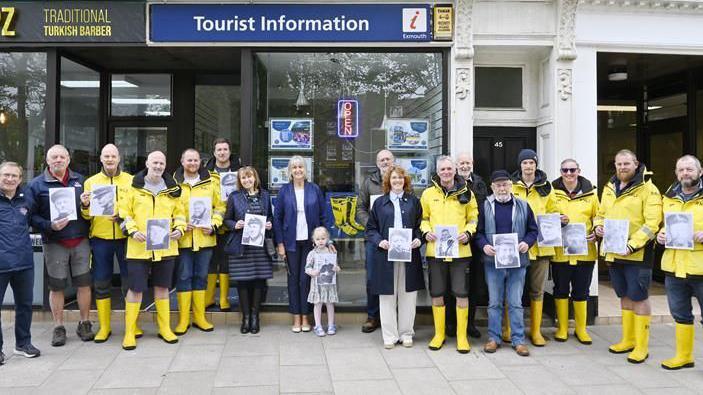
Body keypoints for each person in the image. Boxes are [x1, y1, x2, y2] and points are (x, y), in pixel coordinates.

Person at [594, 149, 662, 363]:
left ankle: (642, 347)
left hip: (636, 254)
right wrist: (598, 227)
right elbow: (601, 214)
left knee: (639, 296)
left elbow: (652, 224)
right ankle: (628, 339)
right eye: (619, 164)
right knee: (623, 294)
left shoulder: (648, 190)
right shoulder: (608, 187)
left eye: (626, 164)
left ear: (636, 164)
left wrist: (633, 246)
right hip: (614, 252)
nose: (622, 167)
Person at [28, 144, 94, 346]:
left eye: (62, 157)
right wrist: (49, 225)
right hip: (55, 242)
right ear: (47, 161)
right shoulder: (36, 185)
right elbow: (30, 216)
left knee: (84, 284)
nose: (58, 160)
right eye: (54, 157)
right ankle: (58, 327)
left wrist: (86, 204)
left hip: (80, 241)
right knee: (57, 287)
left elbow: (91, 211)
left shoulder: (81, 181)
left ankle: (84, 323)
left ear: (68, 159)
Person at [119, 151, 186, 350]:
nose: (158, 166)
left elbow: (180, 214)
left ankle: (164, 328)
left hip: (165, 248)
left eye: (161, 163)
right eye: (155, 162)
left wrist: (179, 229)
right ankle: (130, 331)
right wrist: (132, 231)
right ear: (147, 162)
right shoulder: (132, 186)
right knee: (136, 289)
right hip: (139, 248)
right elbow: (123, 213)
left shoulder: (173, 189)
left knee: (163, 288)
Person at [475, 170, 539, 357]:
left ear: (511, 186)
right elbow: (477, 233)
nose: (502, 188)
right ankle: (494, 338)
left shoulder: (523, 206)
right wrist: (484, 246)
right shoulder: (485, 206)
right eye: (498, 185)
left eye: (505, 184)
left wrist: (526, 243)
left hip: (517, 262)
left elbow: (533, 231)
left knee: (515, 302)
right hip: (492, 262)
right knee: (494, 302)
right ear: (492, 187)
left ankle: (518, 340)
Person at [420, 156, 478, 353]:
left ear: (455, 171)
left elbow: (473, 218)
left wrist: (468, 233)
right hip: (435, 251)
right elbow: (423, 218)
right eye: (442, 169)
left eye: (449, 169)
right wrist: (426, 231)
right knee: (437, 293)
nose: (446, 172)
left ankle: (462, 337)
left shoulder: (467, 193)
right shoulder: (428, 194)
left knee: (461, 293)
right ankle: (439, 334)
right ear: (438, 171)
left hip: (460, 252)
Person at [79, 144, 136, 343]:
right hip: (101, 238)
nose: (110, 159)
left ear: (119, 158)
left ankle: (132, 326)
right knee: (101, 282)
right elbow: (87, 216)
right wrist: (85, 205)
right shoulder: (91, 182)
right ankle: (104, 327)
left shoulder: (131, 180)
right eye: (106, 156)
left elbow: (137, 208)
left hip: (125, 238)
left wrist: (122, 215)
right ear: (101, 159)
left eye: (113, 156)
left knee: (129, 282)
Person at [366, 165, 424, 348]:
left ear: (405, 181)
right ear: (388, 181)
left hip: (409, 255)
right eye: (393, 178)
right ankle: (389, 335)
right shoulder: (379, 203)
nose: (397, 181)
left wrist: (418, 239)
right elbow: (370, 229)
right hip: (386, 255)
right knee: (387, 296)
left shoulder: (413, 201)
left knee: (408, 295)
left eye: (400, 178)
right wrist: (379, 241)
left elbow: (421, 225)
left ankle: (406, 333)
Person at [510, 148, 562, 347]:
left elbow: (554, 210)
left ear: (536, 164)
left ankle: (536, 331)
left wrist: (559, 218)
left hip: (541, 247)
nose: (528, 166)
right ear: (520, 165)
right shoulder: (511, 185)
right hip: (517, 247)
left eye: (531, 162)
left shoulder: (547, 187)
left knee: (537, 291)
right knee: (513, 290)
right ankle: (510, 329)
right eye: (525, 163)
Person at [273, 155, 330, 333]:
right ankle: (296, 317)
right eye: (294, 167)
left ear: (306, 170)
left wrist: (328, 241)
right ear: (289, 171)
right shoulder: (284, 191)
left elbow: (324, 216)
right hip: (290, 243)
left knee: (306, 280)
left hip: (310, 243)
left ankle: (306, 316)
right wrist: (280, 243)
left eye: (301, 167)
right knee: (293, 280)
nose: (298, 170)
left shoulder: (314, 189)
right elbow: (277, 219)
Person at [656, 155, 703, 370]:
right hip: (674, 267)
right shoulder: (669, 197)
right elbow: (663, 225)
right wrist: (661, 235)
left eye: (690, 169)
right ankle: (684, 356)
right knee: (680, 314)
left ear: (699, 172)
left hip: (700, 267)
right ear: (676, 173)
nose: (686, 173)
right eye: (681, 170)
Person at [173, 149, 224, 336]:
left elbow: (220, 207)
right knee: (184, 277)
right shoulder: (173, 183)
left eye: (195, 160)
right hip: (183, 239)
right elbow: (167, 209)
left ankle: (200, 317)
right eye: (189, 160)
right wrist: (177, 224)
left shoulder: (211, 181)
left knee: (201, 276)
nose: (193, 163)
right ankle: (184, 319)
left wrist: (214, 224)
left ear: (200, 162)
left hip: (205, 238)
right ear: (182, 161)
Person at [551, 159, 599, 344]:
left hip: (585, 251)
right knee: (561, 289)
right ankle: (562, 328)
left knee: (581, 290)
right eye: (565, 170)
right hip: (560, 252)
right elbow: (545, 216)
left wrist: (597, 231)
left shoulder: (592, 193)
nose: (569, 173)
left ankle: (581, 329)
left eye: (572, 170)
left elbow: (599, 216)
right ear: (561, 171)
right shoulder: (552, 192)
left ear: (579, 171)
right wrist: (555, 218)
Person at [223, 167, 274, 334]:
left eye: (249, 177)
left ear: (255, 178)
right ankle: (245, 317)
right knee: (243, 282)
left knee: (259, 281)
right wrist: (234, 224)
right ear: (240, 180)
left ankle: (255, 317)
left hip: (259, 247)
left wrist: (269, 224)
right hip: (241, 246)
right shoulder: (235, 196)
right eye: (243, 178)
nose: (246, 180)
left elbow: (270, 218)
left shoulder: (265, 195)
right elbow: (227, 220)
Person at [0, 162, 40, 364]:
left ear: (20, 179)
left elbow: (35, 221)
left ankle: (23, 344)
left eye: (14, 176)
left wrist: (52, 225)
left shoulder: (26, 199)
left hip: (24, 262)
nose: (10, 179)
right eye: (6, 175)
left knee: (24, 305)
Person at [357, 149, 395, 333]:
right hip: (373, 239)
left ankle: (392, 315)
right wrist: (371, 226)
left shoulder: (400, 179)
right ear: (377, 162)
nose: (385, 162)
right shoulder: (368, 182)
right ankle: (373, 316)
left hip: (396, 238)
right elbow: (360, 208)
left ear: (393, 161)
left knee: (395, 277)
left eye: (388, 159)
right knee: (373, 277)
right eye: (382, 159)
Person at [452, 152, 489, 338]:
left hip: (476, 240)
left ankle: (470, 324)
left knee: (474, 284)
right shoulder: (450, 182)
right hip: (456, 240)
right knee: (456, 283)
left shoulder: (481, 184)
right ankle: (452, 324)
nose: (464, 166)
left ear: (472, 164)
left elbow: (486, 210)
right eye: (461, 163)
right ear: (456, 165)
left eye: (467, 162)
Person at [204, 138, 241, 311]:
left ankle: (224, 299)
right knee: (211, 260)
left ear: (229, 151)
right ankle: (209, 297)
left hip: (231, 220)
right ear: (214, 152)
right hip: (211, 220)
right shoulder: (205, 171)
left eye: (225, 149)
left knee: (225, 261)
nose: (222, 152)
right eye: (219, 150)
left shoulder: (238, 171)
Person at [305, 227, 340, 337]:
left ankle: (331, 325)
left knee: (330, 304)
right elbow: (307, 268)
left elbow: (336, 266)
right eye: (318, 239)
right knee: (318, 304)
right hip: (317, 284)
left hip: (329, 283)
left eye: (323, 238)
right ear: (314, 240)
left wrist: (337, 269)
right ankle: (318, 325)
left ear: (327, 239)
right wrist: (312, 272)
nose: (320, 241)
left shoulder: (331, 252)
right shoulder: (312, 253)